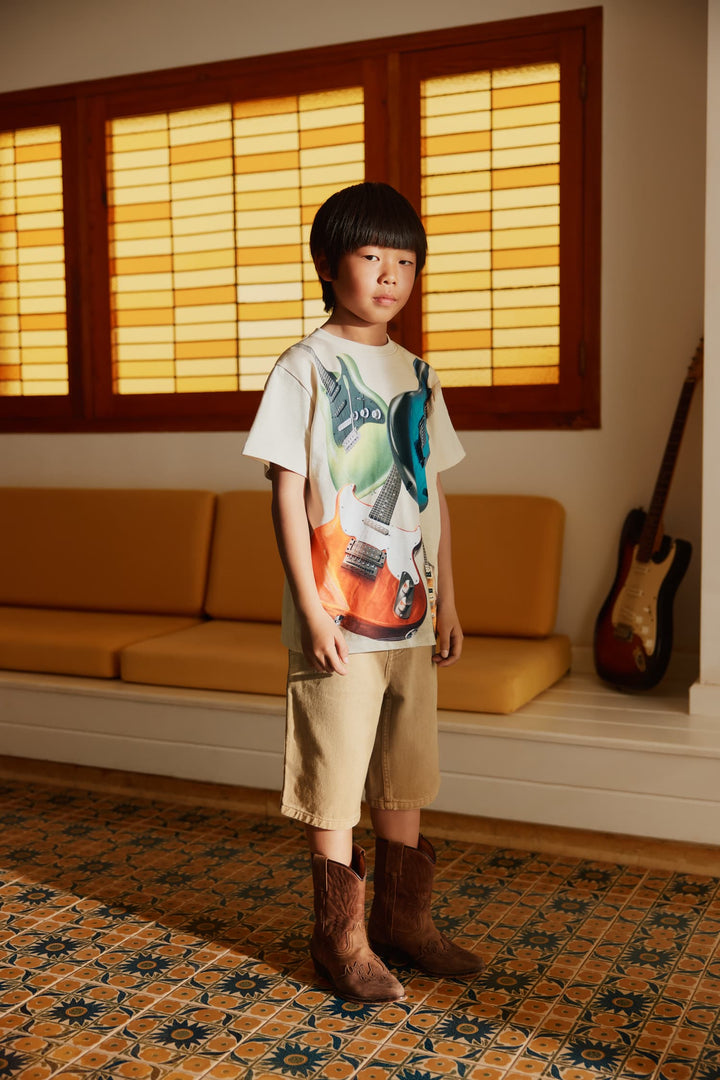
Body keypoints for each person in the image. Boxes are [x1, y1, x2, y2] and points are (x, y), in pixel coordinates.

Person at [243, 181, 483, 1002]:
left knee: (404, 772)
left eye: (405, 259)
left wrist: (448, 598)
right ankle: (339, 941)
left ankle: (402, 924)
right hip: (339, 617)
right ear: (329, 265)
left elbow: (432, 494)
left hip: (411, 614)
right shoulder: (304, 365)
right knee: (336, 773)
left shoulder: (418, 370)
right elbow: (284, 489)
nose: (389, 274)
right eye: (370, 255)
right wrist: (310, 605)